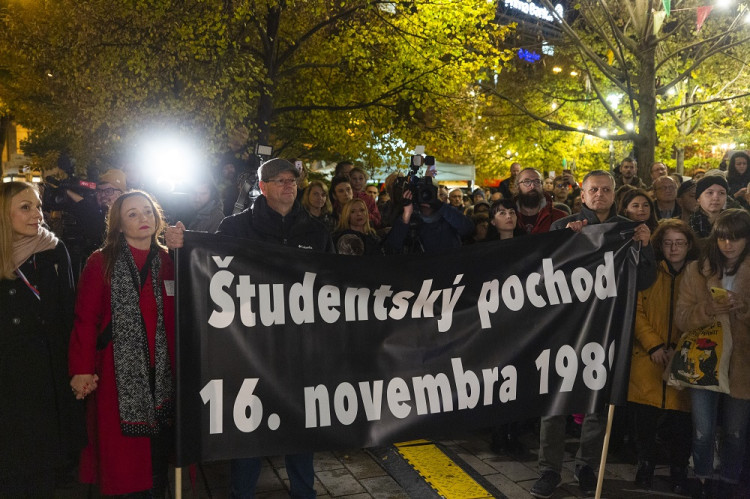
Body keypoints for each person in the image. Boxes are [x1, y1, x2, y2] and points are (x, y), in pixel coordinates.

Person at [166, 158, 331, 498]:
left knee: (302, 424)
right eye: (280, 180)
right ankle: (242, 493)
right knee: (249, 427)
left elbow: (334, 280)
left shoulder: (316, 230)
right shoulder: (236, 228)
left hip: (300, 346)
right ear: (264, 186)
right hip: (251, 346)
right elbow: (211, 265)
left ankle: (305, 492)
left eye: (292, 180)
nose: (289, 185)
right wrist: (182, 244)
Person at [531, 170, 656, 499]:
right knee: (555, 400)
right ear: (582, 196)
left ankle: (587, 466)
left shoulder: (628, 230)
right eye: (592, 190)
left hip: (607, 327)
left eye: (605, 189)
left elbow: (644, 281)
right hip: (566, 329)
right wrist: (568, 244)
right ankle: (549, 469)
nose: (599, 194)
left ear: (614, 195)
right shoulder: (563, 227)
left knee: (597, 402)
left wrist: (644, 246)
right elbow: (544, 279)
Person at [69, 190, 175, 497]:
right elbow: (85, 320)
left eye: (148, 211)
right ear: (118, 224)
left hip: (164, 376)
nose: (143, 218)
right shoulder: (100, 262)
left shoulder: (170, 261)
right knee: (123, 460)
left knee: (158, 458)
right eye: (132, 214)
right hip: (118, 377)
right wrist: (81, 369)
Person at [0, 182, 85, 496]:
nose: (38, 214)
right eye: (25, 207)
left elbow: (69, 312)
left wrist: (78, 368)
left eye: (37, 206)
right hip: (7, 380)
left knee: (44, 474)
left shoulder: (53, 248)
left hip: (47, 378)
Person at [675, 209, 750, 498]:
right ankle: (702, 476)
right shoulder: (698, 269)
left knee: (735, 431)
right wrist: (707, 310)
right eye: (722, 238)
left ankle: (729, 480)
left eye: (735, 238)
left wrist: (742, 307)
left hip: (742, 361)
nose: (728, 245)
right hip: (706, 358)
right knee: (703, 429)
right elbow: (681, 317)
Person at [628, 219, 696, 494]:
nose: (674, 248)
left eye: (679, 242)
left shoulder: (697, 275)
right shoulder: (648, 271)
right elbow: (636, 310)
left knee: (681, 421)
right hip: (648, 356)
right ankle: (645, 463)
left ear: (689, 245)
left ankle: (679, 467)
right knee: (644, 417)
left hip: (685, 356)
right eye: (668, 242)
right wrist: (654, 345)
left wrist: (680, 350)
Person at [513, 168, 567, 234]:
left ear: (542, 186)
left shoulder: (558, 217)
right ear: (517, 186)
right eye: (527, 182)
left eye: (537, 182)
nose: (532, 186)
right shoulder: (506, 218)